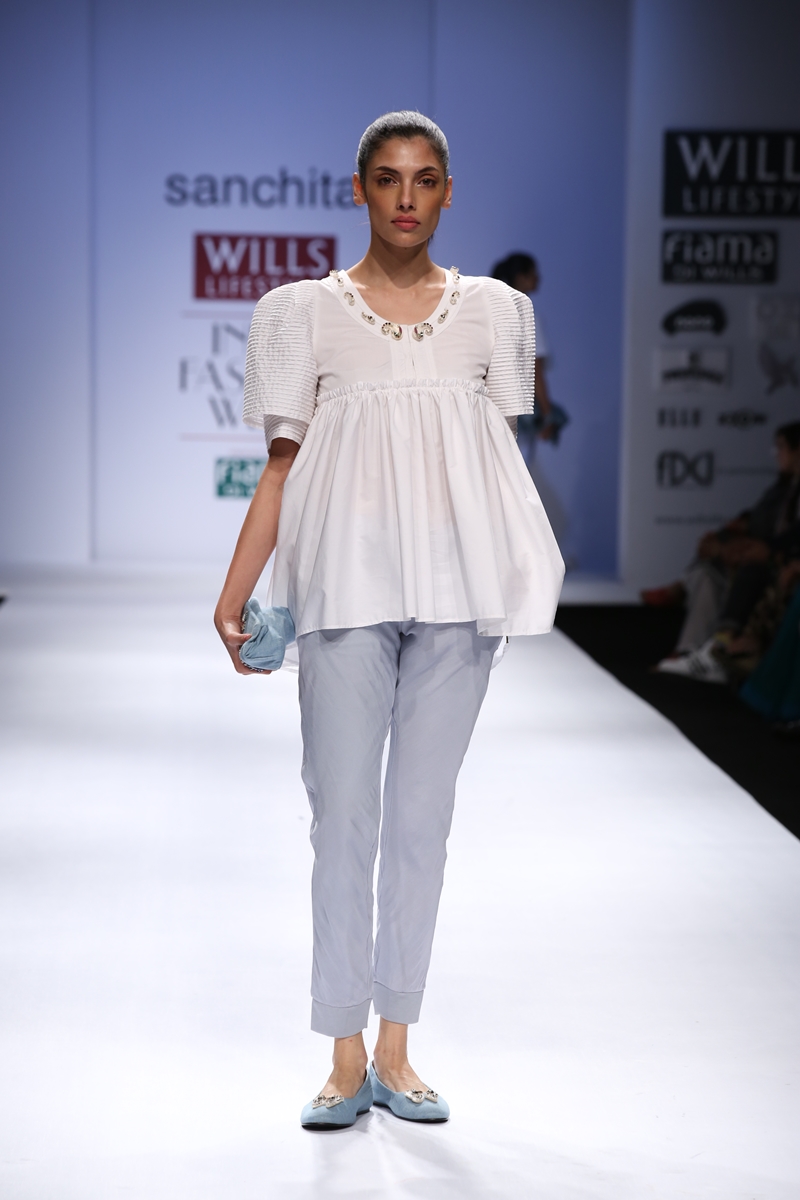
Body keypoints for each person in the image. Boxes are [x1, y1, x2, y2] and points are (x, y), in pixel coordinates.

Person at [214, 112, 564, 1130]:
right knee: (342, 819)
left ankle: (397, 1048)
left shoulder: (495, 313)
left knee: (420, 821)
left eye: (423, 179)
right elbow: (282, 467)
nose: (405, 197)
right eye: (386, 178)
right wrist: (236, 591)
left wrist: (514, 572)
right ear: (359, 188)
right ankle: (343, 1054)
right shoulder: (300, 314)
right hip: (342, 588)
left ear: (447, 191)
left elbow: (493, 464)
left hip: (458, 593)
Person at [648, 422, 800, 681]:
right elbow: (756, 519)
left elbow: (790, 535)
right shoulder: (782, 488)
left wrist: (766, 549)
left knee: (748, 568)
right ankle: (692, 651)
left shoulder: (790, 490)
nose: (777, 454)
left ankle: (720, 645)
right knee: (708, 570)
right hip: (767, 550)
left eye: (782, 447)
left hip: (779, 558)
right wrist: (729, 536)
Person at [491, 252, 568, 470]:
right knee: (514, 476)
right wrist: (547, 414)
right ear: (521, 277)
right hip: (517, 411)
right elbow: (535, 371)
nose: (538, 277)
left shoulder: (491, 313)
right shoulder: (528, 317)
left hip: (488, 406)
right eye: (533, 273)